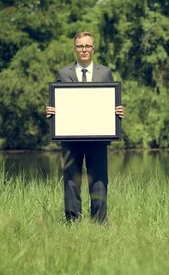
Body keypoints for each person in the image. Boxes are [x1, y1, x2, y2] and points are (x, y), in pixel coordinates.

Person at [46, 32, 124, 224]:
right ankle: (72, 222)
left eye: (87, 46)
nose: (84, 50)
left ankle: (99, 222)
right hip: (71, 137)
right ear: (75, 49)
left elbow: (109, 102)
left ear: (93, 49)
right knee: (71, 181)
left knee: (99, 180)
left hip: (98, 137)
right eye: (80, 46)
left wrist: (117, 110)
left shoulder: (104, 73)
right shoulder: (64, 73)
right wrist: (52, 111)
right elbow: (58, 103)